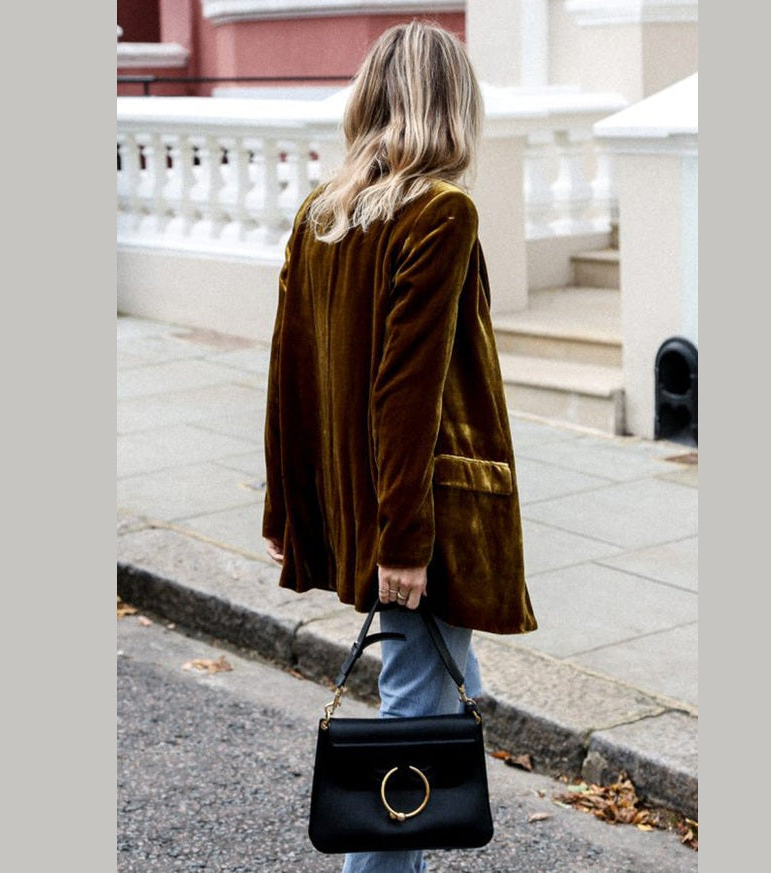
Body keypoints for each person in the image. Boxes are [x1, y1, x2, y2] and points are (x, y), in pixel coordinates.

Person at [262, 20, 537, 873]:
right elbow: (405, 392)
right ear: (453, 105)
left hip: (363, 500)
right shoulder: (441, 211)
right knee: (417, 720)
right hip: (415, 510)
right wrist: (406, 543)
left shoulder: (323, 213)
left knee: (439, 697)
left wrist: (287, 505)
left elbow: (287, 376)